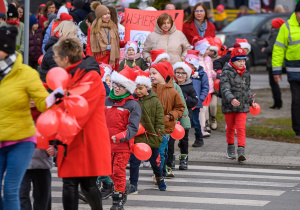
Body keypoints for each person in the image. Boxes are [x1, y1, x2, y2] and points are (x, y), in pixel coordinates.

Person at [52, 37, 111, 210]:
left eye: (56, 56)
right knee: (71, 183)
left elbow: (80, 111)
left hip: (85, 140)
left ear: (65, 58)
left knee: (87, 185)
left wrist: (61, 137)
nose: (54, 60)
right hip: (75, 138)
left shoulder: (89, 77)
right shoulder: (72, 75)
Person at [0, 26, 49, 210]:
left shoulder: (26, 73)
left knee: (11, 189)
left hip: (20, 140)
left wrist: (54, 98)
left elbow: (43, 102)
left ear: (5, 49)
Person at [105, 66, 141, 210]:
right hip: (106, 143)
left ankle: (118, 198)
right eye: (115, 84)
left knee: (118, 170)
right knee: (107, 170)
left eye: (121, 86)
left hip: (123, 144)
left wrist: (121, 136)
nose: (117, 88)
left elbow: (133, 127)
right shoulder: (107, 101)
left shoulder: (132, 105)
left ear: (128, 88)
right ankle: (122, 186)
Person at [128, 68, 166, 194]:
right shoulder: (133, 102)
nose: (138, 91)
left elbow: (159, 120)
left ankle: (159, 178)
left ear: (147, 88)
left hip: (151, 137)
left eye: (141, 88)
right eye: (136, 88)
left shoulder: (155, 101)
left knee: (155, 162)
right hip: (137, 138)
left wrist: (158, 135)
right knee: (134, 162)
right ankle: (133, 184)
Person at [220, 44, 256, 162]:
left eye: (243, 60)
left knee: (241, 128)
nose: (241, 63)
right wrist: (231, 99)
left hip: (243, 105)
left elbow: (247, 88)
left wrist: (251, 101)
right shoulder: (226, 72)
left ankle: (241, 151)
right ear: (233, 61)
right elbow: (224, 88)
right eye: (238, 60)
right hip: (229, 105)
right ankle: (230, 148)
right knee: (230, 128)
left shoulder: (246, 72)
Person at [150, 61, 185, 178]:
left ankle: (158, 175)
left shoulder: (173, 92)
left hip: (165, 127)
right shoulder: (149, 91)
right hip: (151, 127)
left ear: (163, 75)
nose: (151, 76)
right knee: (155, 152)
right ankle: (162, 171)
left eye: (154, 73)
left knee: (160, 151)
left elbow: (180, 108)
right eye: (150, 74)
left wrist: (170, 116)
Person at [272, 2, 300, 140]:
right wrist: (276, 71)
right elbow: (278, 50)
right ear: (296, 13)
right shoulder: (287, 27)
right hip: (294, 73)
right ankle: (298, 131)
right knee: (296, 102)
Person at [173, 62, 198, 170]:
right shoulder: (171, 85)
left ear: (187, 75)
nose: (180, 75)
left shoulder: (189, 87)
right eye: (178, 72)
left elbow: (195, 101)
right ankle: (171, 159)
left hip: (184, 117)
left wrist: (186, 98)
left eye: (183, 73)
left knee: (184, 139)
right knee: (171, 140)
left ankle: (184, 159)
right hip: (173, 116)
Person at [86, 2, 122, 70]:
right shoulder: (92, 29)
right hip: (99, 58)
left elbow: (117, 42)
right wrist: (90, 59)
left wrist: (126, 42)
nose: (108, 16)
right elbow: (89, 45)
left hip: (112, 58)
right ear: (100, 16)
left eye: (108, 13)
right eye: (105, 14)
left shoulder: (114, 26)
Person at [185, 50, 209, 147]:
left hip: (195, 102)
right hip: (185, 102)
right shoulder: (185, 75)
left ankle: (199, 138)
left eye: (192, 65)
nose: (191, 67)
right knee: (185, 122)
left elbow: (205, 87)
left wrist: (201, 98)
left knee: (195, 121)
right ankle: (184, 140)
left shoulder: (202, 75)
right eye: (189, 65)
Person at [193, 37, 216, 137]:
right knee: (201, 110)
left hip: (209, 89)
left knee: (205, 109)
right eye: (206, 49)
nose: (209, 51)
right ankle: (201, 129)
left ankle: (203, 127)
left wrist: (215, 75)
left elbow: (211, 72)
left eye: (209, 49)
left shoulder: (208, 59)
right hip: (200, 89)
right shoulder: (196, 60)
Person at [262, 18, 285, 109]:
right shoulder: (280, 33)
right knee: (274, 83)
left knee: (273, 83)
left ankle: (278, 103)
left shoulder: (275, 34)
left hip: (273, 62)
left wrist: (265, 49)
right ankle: (277, 102)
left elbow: (271, 48)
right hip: (276, 61)